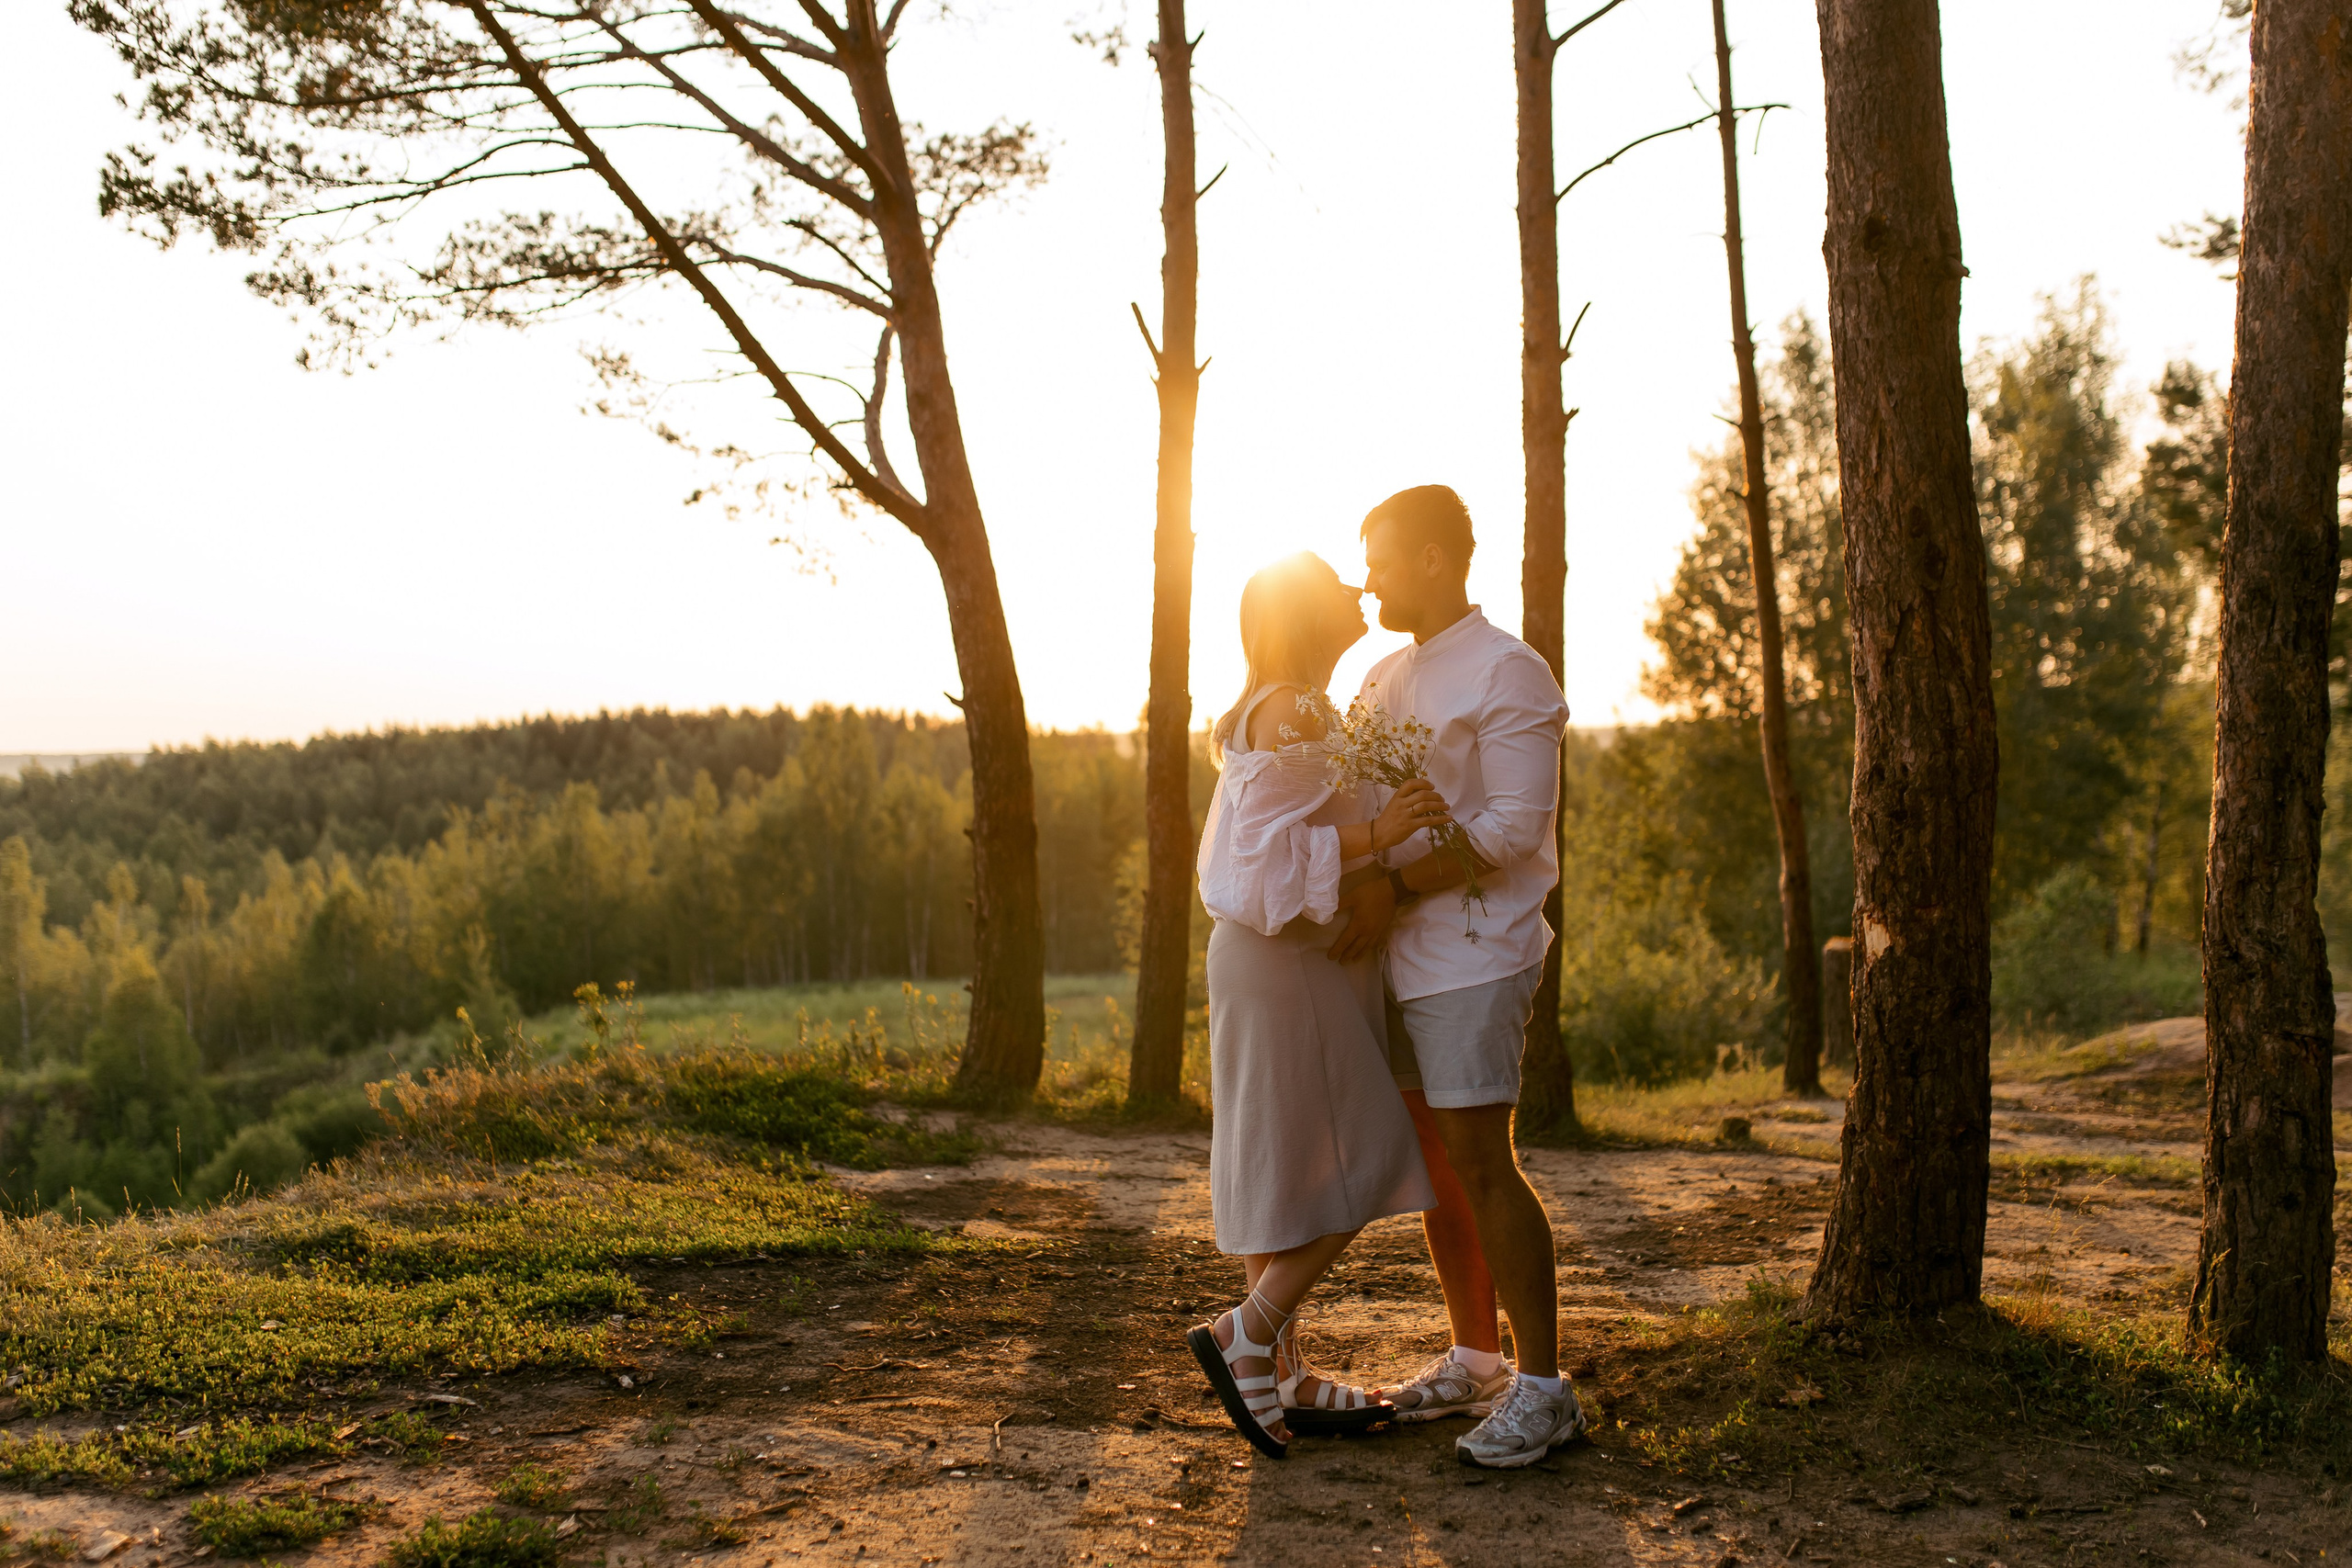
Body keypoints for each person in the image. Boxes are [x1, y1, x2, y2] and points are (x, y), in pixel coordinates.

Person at [1326, 484, 1584, 1470]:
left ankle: (1545, 1391)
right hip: (1391, 955)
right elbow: (1353, 803)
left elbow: (1513, 828)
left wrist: (1392, 883)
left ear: (1434, 558)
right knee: (1439, 1164)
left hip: (1476, 953)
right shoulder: (1382, 675)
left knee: (1482, 1160)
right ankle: (1476, 1359)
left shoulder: (1508, 671)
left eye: (1382, 560)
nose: (1369, 580)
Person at [1186, 550, 1452, 1459]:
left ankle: (1283, 1373)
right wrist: (1379, 834)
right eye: (1336, 582)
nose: (1357, 588)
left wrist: (1370, 861)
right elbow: (1258, 863)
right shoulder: (1295, 708)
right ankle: (1249, 1332)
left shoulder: (1285, 705)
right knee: (1372, 1154)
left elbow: (1286, 834)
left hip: (1278, 960)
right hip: (1283, 961)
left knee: (1285, 1164)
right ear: (1305, 611)